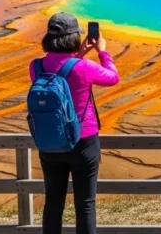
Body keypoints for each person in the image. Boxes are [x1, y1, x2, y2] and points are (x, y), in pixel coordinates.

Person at [29, 13, 119, 234]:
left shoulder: (36, 66)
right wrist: (103, 51)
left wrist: (79, 55)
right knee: (85, 204)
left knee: (53, 203)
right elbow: (112, 77)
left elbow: (58, 71)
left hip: (50, 140)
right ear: (73, 38)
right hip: (83, 140)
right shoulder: (84, 66)